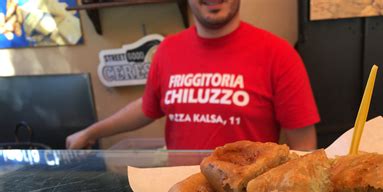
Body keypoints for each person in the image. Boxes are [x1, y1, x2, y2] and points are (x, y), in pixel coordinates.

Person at [66, 0, 320, 151]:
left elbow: (304, 146)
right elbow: (147, 108)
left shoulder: (278, 53)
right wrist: (91, 133)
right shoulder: (167, 49)